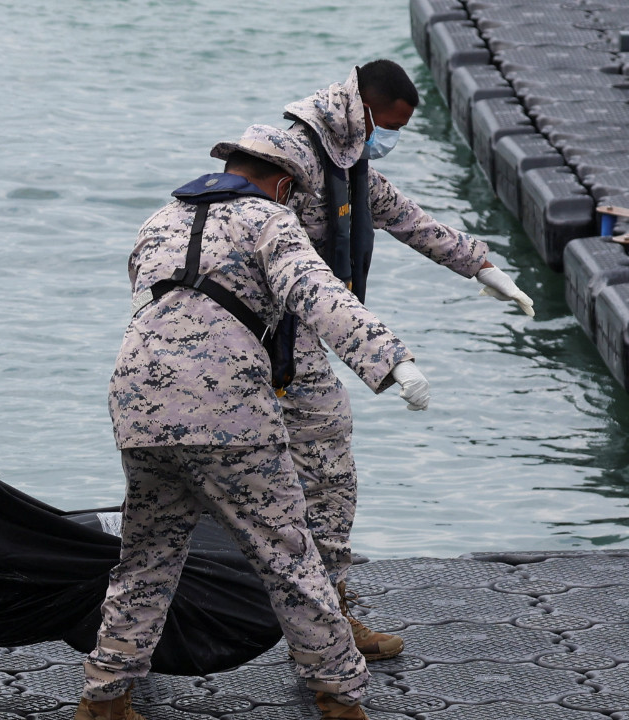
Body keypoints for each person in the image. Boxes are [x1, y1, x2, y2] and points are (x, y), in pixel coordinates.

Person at [75, 125, 431, 720]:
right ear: (284, 184)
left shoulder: (157, 220)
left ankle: (105, 698)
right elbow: (316, 292)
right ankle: (340, 698)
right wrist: (390, 360)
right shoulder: (270, 220)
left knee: (147, 555)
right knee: (288, 557)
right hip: (228, 414)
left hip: (138, 407)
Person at [276, 59, 534, 659]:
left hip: (305, 329)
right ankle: (327, 629)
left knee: (293, 481)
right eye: (386, 125)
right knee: (328, 474)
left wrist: (484, 267)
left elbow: (407, 218)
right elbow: (289, 271)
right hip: (275, 332)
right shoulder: (295, 159)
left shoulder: (347, 159)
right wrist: (389, 360)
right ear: (360, 109)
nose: (388, 138)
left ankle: (324, 617)